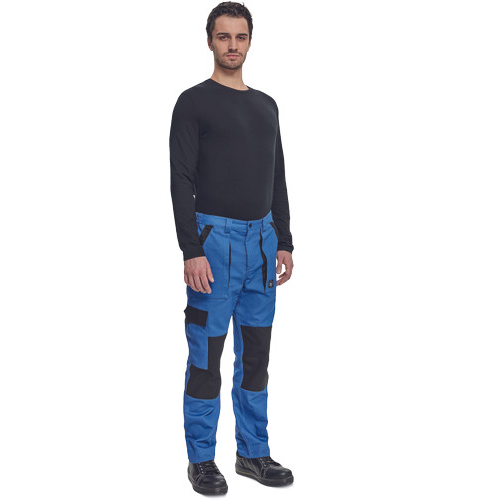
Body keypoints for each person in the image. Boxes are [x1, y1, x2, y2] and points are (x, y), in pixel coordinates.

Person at [169, 2, 295, 494]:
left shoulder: (267, 106)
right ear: (210, 41)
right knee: (206, 357)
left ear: (250, 42)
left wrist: (284, 240)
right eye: (223, 37)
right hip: (214, 244)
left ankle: (252, 452)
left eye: (240, 37)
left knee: (256, 358)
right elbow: (181, 180)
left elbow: (277, 176)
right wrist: (190, 249)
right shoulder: (193, 102)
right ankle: (201, 460)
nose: (232, 45)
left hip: (262, 244)